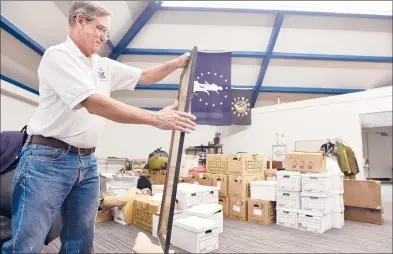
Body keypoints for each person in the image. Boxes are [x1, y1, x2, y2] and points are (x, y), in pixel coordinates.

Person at [2, 1, 196, 253]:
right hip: (46, 160)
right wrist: (155, 118)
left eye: (107, 32)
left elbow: (145, 76)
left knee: (81, 241)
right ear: (80, 20)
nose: (104, 38)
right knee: (27, 242)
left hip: (87, 161)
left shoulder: (101, 65)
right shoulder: (57, 56)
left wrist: (178, 63)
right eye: (100, 29)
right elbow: (93, 103)